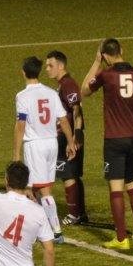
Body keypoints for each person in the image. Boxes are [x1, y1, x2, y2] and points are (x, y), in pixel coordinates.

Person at [81, 38, 133, 251]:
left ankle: (121, 238)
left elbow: (84, 90)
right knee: (132, 182)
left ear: (105, 55)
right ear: (122, 50)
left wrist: (96, 62)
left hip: (115, 139)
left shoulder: (106, 75)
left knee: (116, 187)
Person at [14, 56, 77, 245]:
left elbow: (20, 125)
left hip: (35, 145)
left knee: (34, 189)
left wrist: (16, 154)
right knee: (41, 188)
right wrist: (70, 142)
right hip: (52, 143)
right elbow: (63, 119)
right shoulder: (51, 93)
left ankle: (49, 231)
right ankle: (48, 230)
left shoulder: (22, 96)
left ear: (23, 72)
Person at [44, 50, 88, 225]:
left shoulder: (68, 84)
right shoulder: (63, 84)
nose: (47, 69)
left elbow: (77, 108)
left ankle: (74, 214)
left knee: (67, 174)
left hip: (67, 136)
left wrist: (76, 136)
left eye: (50, 65)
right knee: (73, 174)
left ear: (61, 66)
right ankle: (80, 213)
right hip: (68, 135)